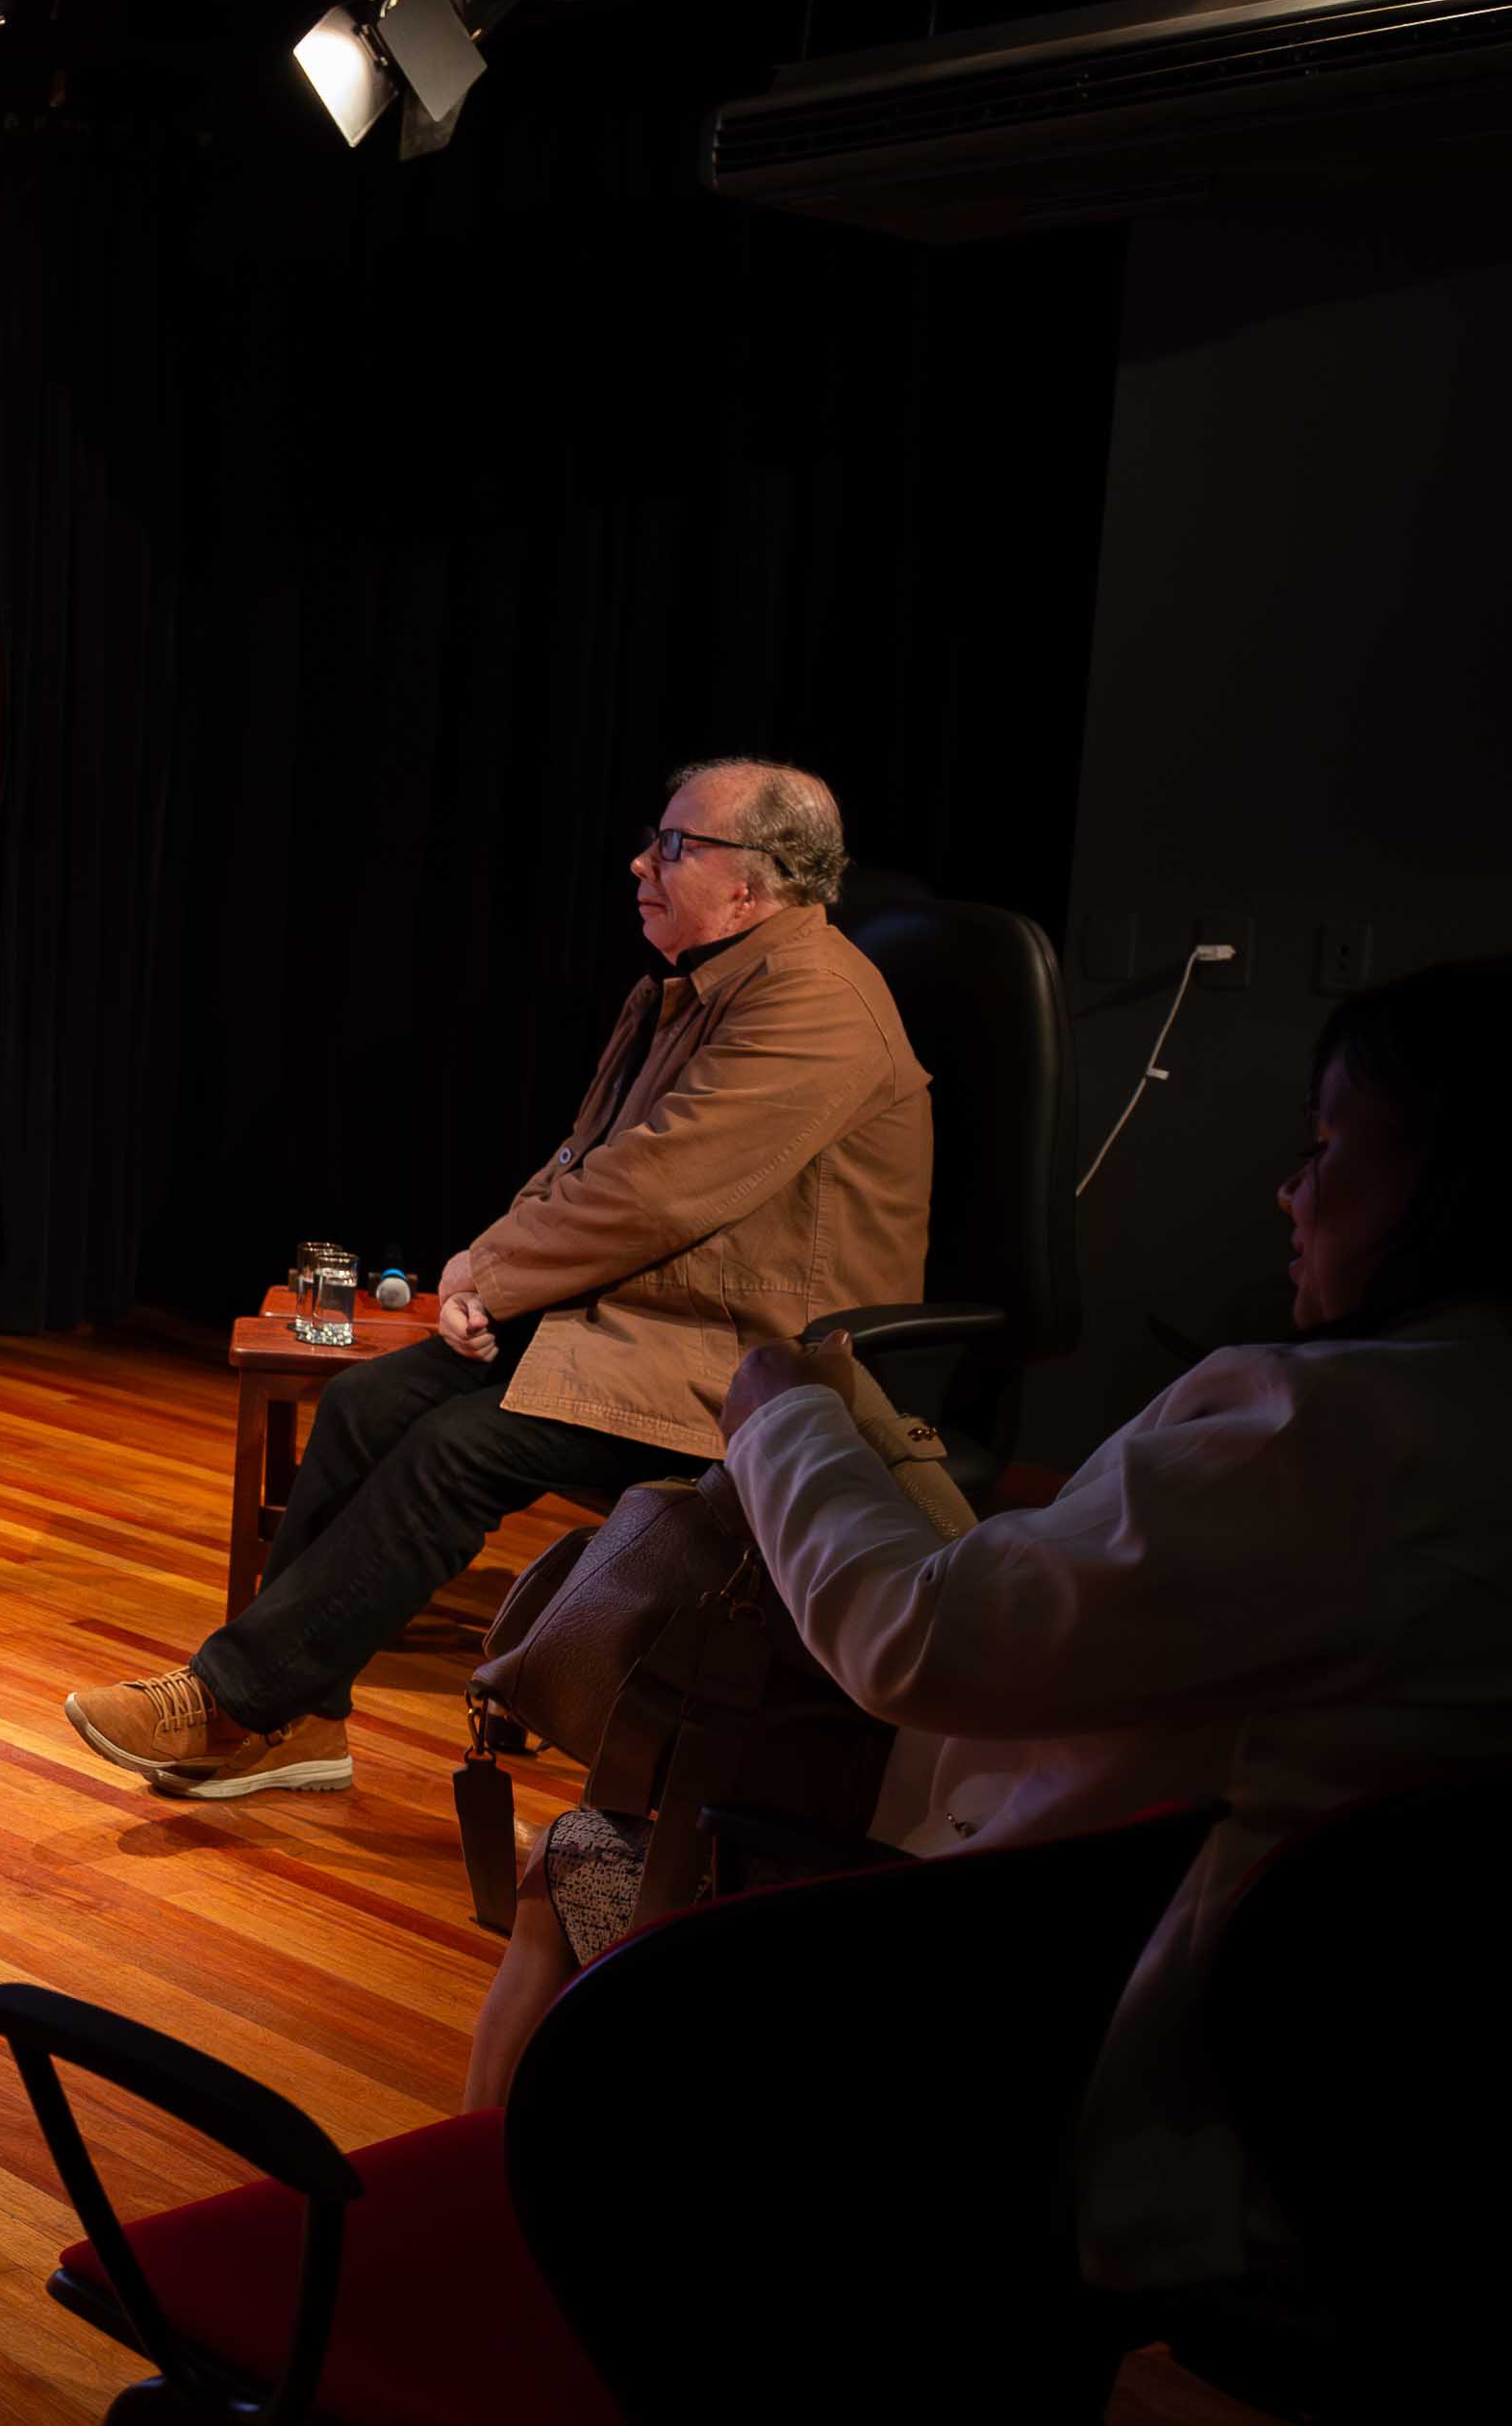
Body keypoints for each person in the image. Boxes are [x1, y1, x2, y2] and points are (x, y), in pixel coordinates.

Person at [693, 947, 1512, 2289]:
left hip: (1127, 2072)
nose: (1286, 1187)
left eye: (1324, 1145)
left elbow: (913, 1641)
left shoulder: (1324, 1435)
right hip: (1419, 2108)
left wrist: (775, 1411)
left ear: (1458, 1177)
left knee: (599, 1859)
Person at [65, 758, 932, 1798]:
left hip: (751, 1359)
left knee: (454, 1451)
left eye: (674, 845)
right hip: (641, 1316)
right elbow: (588, 1161)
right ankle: (305, 1726)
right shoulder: (693, 987)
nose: (641, 862)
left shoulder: (818, 1004)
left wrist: (499, 1275)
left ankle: (233, 1701)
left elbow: (660, 1190)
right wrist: (483, 1270)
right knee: (366, 1402)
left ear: (756, 881)